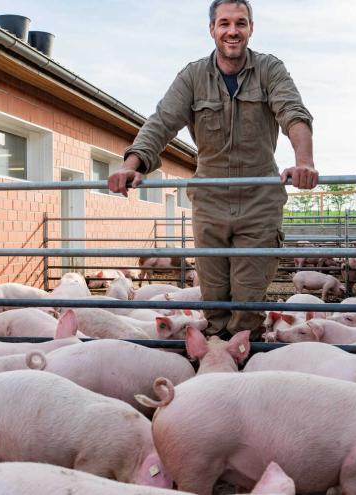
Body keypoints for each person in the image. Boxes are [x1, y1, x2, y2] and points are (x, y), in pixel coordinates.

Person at [107, 0, 318, 339]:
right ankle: (216, 367)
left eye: (240, 23)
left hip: (259, 202)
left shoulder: (269, 70)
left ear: (250, 28)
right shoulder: (192, 77)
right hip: (210, 202)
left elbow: (293, 113)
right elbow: (161, 123)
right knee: (215, 301)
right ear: (212, 30)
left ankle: (243, 367)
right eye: (224, 24)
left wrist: (304, 161)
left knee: (248, 302)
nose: (232, 31)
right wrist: (131, 165)